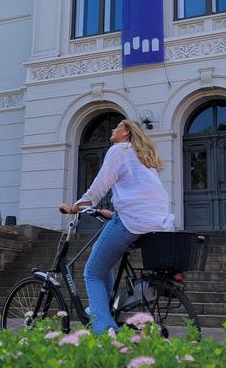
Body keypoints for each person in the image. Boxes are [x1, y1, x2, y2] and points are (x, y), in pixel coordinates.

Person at [59, 119, 174, 334]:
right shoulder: (142, 156)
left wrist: (76, 207)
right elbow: (142, 193)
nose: (112, 129)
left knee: (92, 272)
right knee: (104, 264)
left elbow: (99, 187)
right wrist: (113, 212)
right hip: (156, 222)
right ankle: (107, 309)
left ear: (126, 132)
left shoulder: (119, 150)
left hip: (131, 221)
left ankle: (104, 331)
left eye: (117, 127)